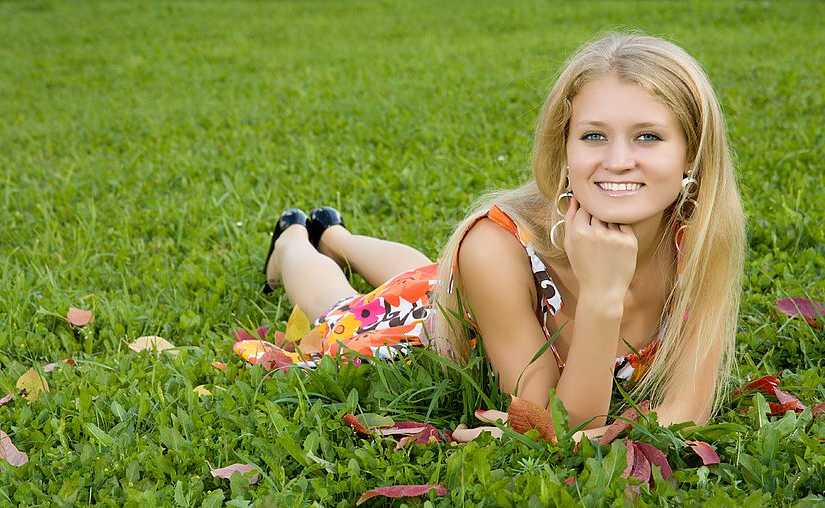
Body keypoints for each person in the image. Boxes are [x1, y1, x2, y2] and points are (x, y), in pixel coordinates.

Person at [236, 31, 746, 444]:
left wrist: (586, 437)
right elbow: (561, 424)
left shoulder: (697, 238)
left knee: (424, 277)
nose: (617, 160)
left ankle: (337, 235)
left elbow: (686, 414)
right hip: (415, 332)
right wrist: (603, 295)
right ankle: (296, 243)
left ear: (693, 153)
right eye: (593, 135)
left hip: (448, 290)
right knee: (344, 307)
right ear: (563, 147)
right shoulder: (495, 248)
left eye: (648, 136)